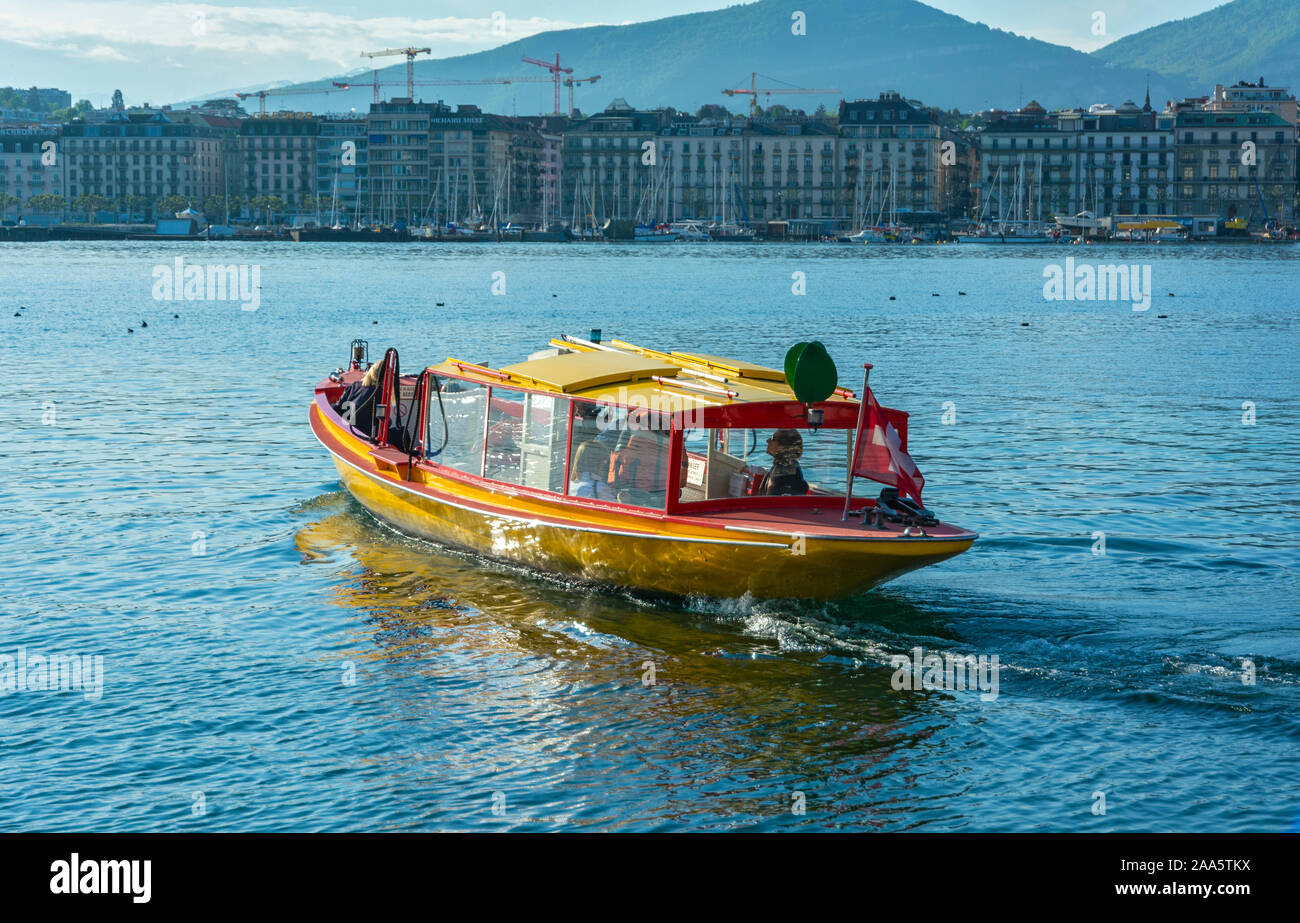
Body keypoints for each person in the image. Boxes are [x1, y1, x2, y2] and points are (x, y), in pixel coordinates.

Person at [332, 359, 385, 439]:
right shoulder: (380, 392)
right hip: (366, 436)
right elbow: (382, 421)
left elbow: (337, 408)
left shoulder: (354, 386)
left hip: (346, 431)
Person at [758, 429, 809, 496]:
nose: (767, 440)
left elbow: (774, 502)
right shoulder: (782, 466)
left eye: (773, 439)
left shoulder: (787, 473)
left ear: (784, 446)